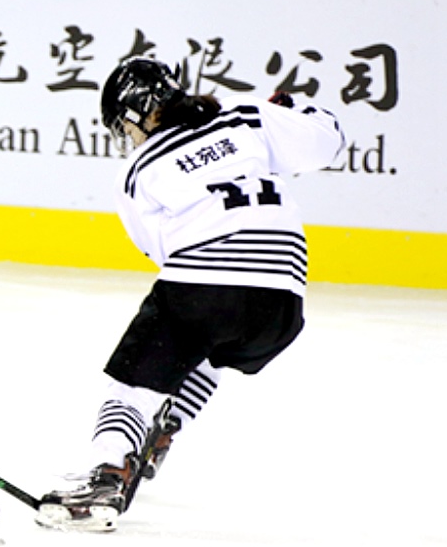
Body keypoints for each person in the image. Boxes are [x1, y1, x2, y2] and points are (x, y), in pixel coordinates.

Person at [35, 57, 345, 532]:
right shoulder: (246, 115)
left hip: (206, 284)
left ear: (139, 112)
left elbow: (159, 250)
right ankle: (169, 422)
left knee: (134, 382)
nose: (128, 136)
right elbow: (328, 141)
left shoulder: (139, 168)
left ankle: (108, 472)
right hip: (283, 299)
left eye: (125, 125)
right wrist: (291, 109)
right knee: (209, 352)